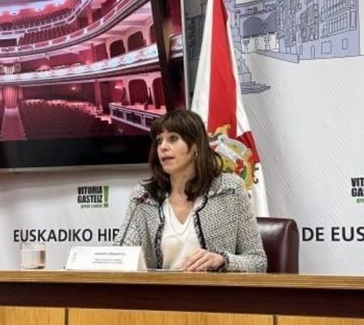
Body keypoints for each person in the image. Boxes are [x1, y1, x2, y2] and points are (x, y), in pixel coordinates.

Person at [114, 109, 267, 272]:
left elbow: (258, 262)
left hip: (215, 294)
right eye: (159, 141)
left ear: (195, 145)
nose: (163, 147)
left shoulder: (229, 189)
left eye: (173, 139)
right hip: (159, 295)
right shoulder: (145, 196)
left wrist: (223, 261)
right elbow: (121, 256)